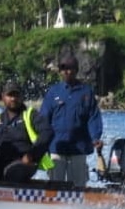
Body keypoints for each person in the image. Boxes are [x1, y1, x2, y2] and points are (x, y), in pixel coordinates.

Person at [40, 53, 103, 187]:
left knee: (78, 188)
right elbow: (44, 119)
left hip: (79, 150)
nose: (66, 71)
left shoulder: (86, 92)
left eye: (70, 68)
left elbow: (93, 117)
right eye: (63, 69)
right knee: (55, 188)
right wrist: (41, 142)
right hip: (56, 148)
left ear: (76, 70)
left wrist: (95, 137)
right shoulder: (53, 92)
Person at [0, 81, 54, 183]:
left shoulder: (30, 115)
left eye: (16, 95)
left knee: (13, 172)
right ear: (3, 97)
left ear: (21, 97)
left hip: (23, 162)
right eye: (10, 95)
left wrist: (32, 155)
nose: (13, 98)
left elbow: (47, 132)